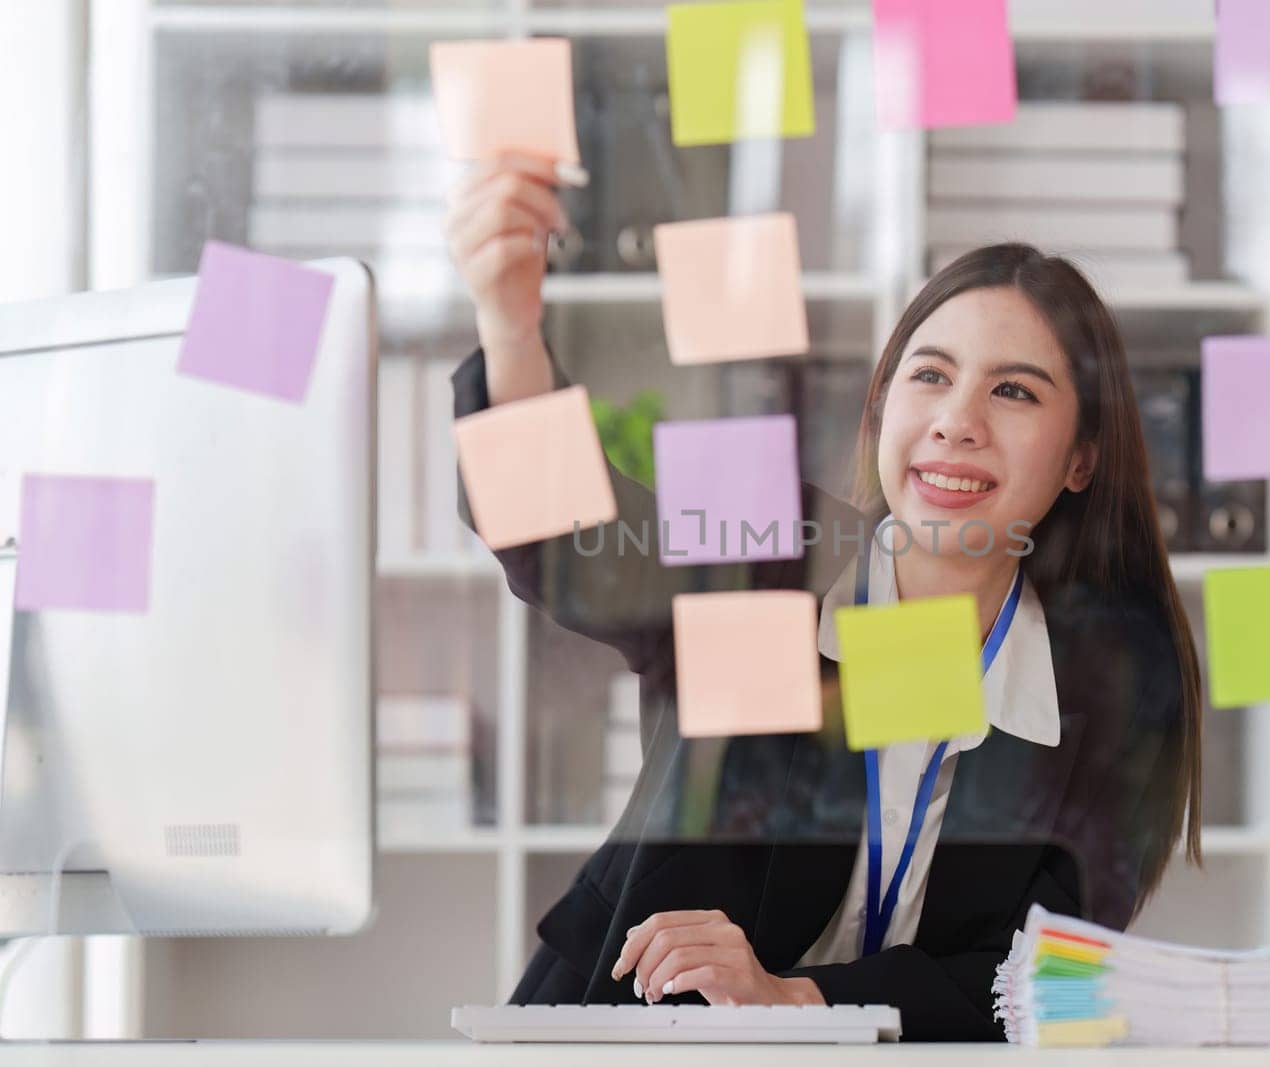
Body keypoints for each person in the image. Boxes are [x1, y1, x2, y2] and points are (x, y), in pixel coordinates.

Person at [442, 152, 1204, 1041]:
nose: (958, 419)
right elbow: (564, 535)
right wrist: (510, 322)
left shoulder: (1110, 678)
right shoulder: (775, 553)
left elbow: (1044, 978)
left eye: (1013, 390)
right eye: (929, 375)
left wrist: (798, 997)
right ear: (881, 408)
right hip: (637, 1039)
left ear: (1083, 457)